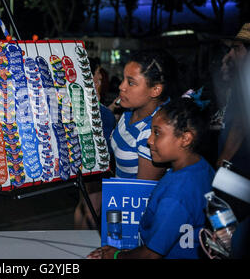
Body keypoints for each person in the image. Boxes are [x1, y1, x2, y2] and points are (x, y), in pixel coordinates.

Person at [88, 96, 215, 259]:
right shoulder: (200, 167)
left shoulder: (177, 196)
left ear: (185, 138)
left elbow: (151, 254)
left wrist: (116, 256)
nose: (149, 140)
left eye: (157, 133)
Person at [110, 50, 181, 180]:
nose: (121, 86)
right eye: (123, 79)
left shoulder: (153, 133)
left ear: (155, 90)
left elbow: (141, 194)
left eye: (131, 83)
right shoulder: (130, 109)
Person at [74, 61, 116, 229]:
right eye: (96, 79)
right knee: (93, 208)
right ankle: (84, 246)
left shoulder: (81, 102)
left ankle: (80, 240)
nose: (99, 83)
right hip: (95, 163)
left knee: (84, 206)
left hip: (85, 160)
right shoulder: (95, 108)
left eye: (100, 80)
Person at [217, 24, 250, 178]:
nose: (232, 55)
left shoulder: (246, 80)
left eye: (237, 49)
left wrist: (222, 162)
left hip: (239, 167)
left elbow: (239, 126)